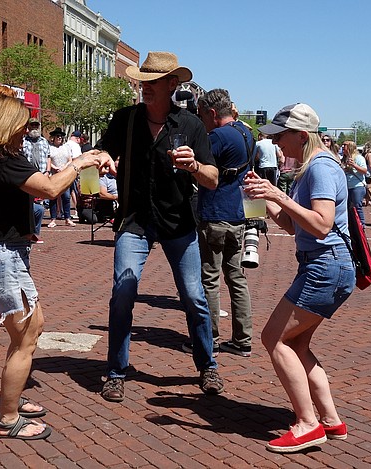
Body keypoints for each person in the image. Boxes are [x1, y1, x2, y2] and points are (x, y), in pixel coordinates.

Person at [0, 92, 113, 440]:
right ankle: (8, 418)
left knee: (32, 328)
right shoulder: (3, 158)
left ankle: (9, 400)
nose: (27, 130)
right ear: (7, 124)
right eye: (23, 124)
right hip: (3, 255)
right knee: (26, 338)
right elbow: (53, 188)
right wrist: (82, 160)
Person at [96, 51, 224, 402]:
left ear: (172, 85)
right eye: (142, 82)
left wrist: (195, 166)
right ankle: (116, 371)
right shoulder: (126, 119)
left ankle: (207, 365)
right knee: (122, 294)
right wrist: (102, 159)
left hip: (178, 222)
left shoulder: (191, 125)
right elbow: (100, 153)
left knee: (194, 297)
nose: (145, 88)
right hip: (134, 220)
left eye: (152, 82)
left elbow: (212, 179)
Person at [246, 103, 355, 453]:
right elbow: (296, 226)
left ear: (301, 136)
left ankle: (308, 425)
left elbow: (322, 225)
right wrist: (265, 199)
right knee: (297, 344)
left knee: (273, 339)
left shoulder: (321, 168)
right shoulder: (310, 168)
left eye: (281, 137)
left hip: (326, 265)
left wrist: (278, 194)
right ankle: (330, 420)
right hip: (323, 264)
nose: (277, 144)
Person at [195, 89, 254, 358]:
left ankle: (211, 339)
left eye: (201, 115)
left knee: (209, 279)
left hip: (215, 212)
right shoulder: (246, 132)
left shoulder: (217, 136)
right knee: (237, 279)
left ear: (212, 113)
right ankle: (243, 339)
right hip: (238, 213)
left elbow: (201, 169)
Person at [22, 118, 50, 241]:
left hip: (42, 174)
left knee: (40, 206)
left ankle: (35, 233)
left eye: (36, 125)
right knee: (28, 204)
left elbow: (48, 157)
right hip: (27, 177)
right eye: (32, 125)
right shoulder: (23, 141)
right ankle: (27, 232)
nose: (34, 127)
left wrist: (48, 172)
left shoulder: (44, 141)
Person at [46, 127, 74, 227]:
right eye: (58, 136)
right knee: (53, 197)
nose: (59, 138)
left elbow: (70, 160)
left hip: (65, 174)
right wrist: (55, 168)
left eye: (61, 137)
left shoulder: (66, 147)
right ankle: (53, 219)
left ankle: (67, 218)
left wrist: (64, 168)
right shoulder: (49, 147)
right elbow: (48, 160)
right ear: (53, 137)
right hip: (54, 175)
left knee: (66, 197)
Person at [341, 140, 367, 227]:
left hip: (357, 186)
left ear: (350, 147)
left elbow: (364, 171)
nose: (343, 147)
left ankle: (361, 225)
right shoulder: (343, 159)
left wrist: (354, 165)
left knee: (357, 206)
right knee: (347, 207)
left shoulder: (359, 158)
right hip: (346, 187)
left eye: (345, 145)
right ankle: (351, 225)